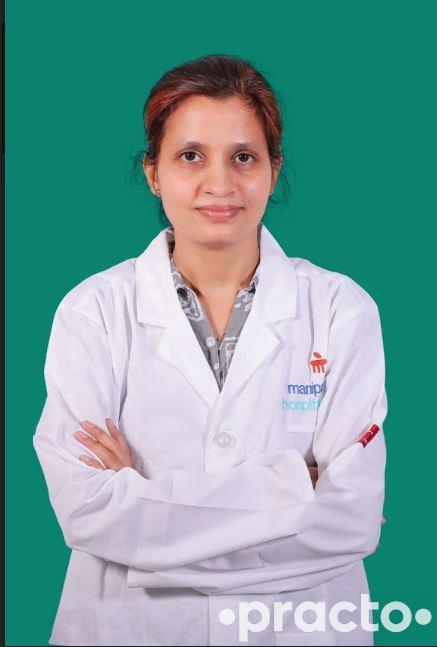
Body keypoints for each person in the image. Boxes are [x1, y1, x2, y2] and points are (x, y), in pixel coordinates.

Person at [33, 54, 388, 646]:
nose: (219, 184)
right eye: (191, 156)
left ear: (274, 169)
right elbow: (86, 510)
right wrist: (289, 488)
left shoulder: (340, 310)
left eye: (243, 157)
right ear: (153, 172)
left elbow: (349, 521)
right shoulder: (93, 311)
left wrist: (145, 524)